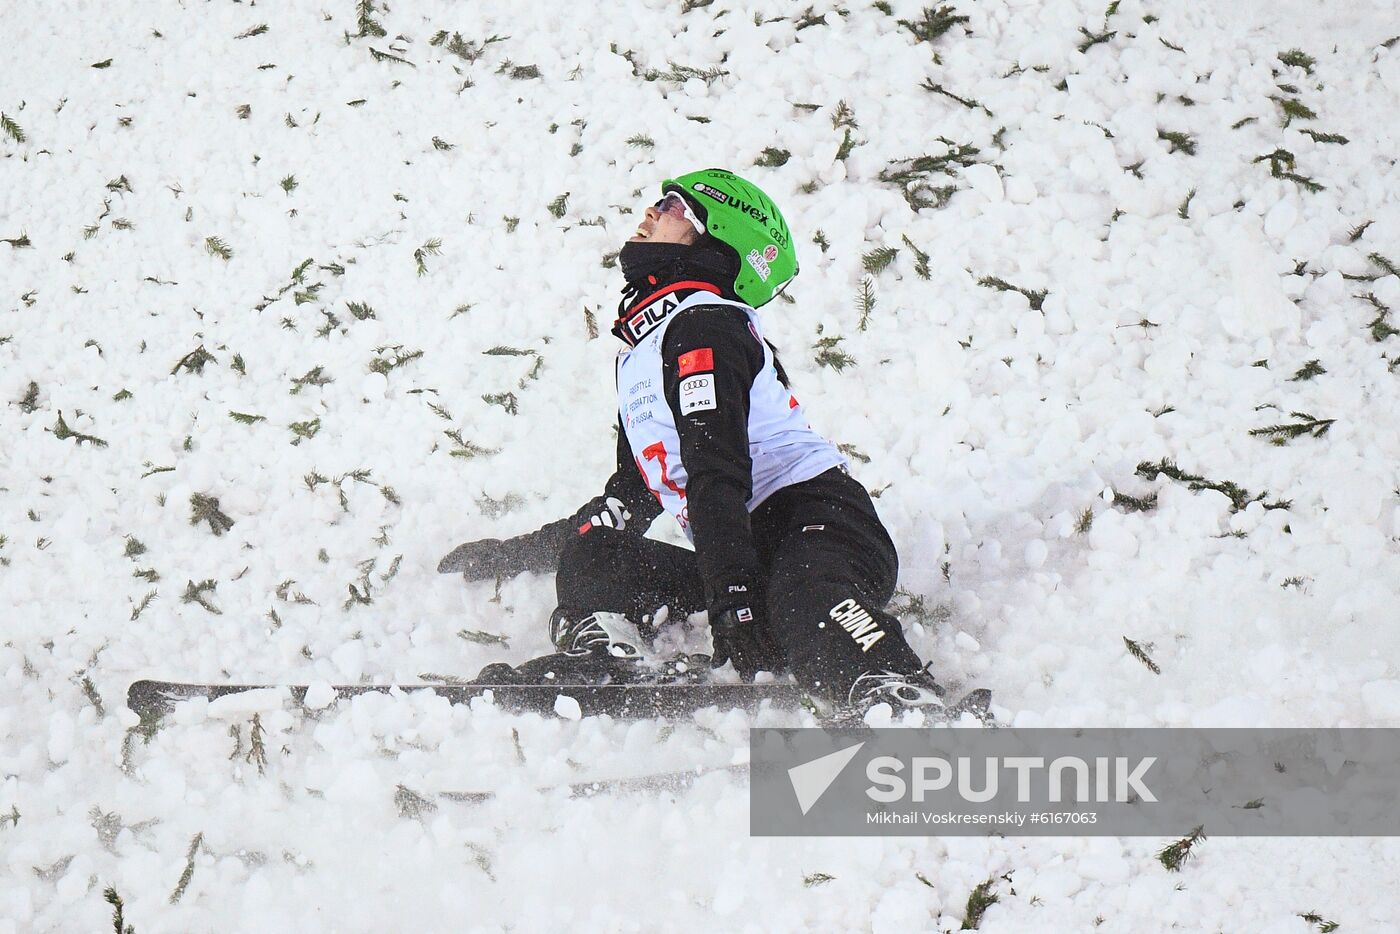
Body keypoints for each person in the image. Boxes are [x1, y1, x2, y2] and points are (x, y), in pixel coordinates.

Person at [439, 169, 949, 714]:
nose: (652, 211)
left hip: (818, 525)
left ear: (715, 237)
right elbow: (629, 499)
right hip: (739, 550)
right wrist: (520, 552)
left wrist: (734, 602)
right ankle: (607, 658)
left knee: (805, 595)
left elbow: (716, 470)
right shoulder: (644, 348)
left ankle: (892, 687)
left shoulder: (708, 325)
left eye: (674, 204)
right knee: (594, 555)